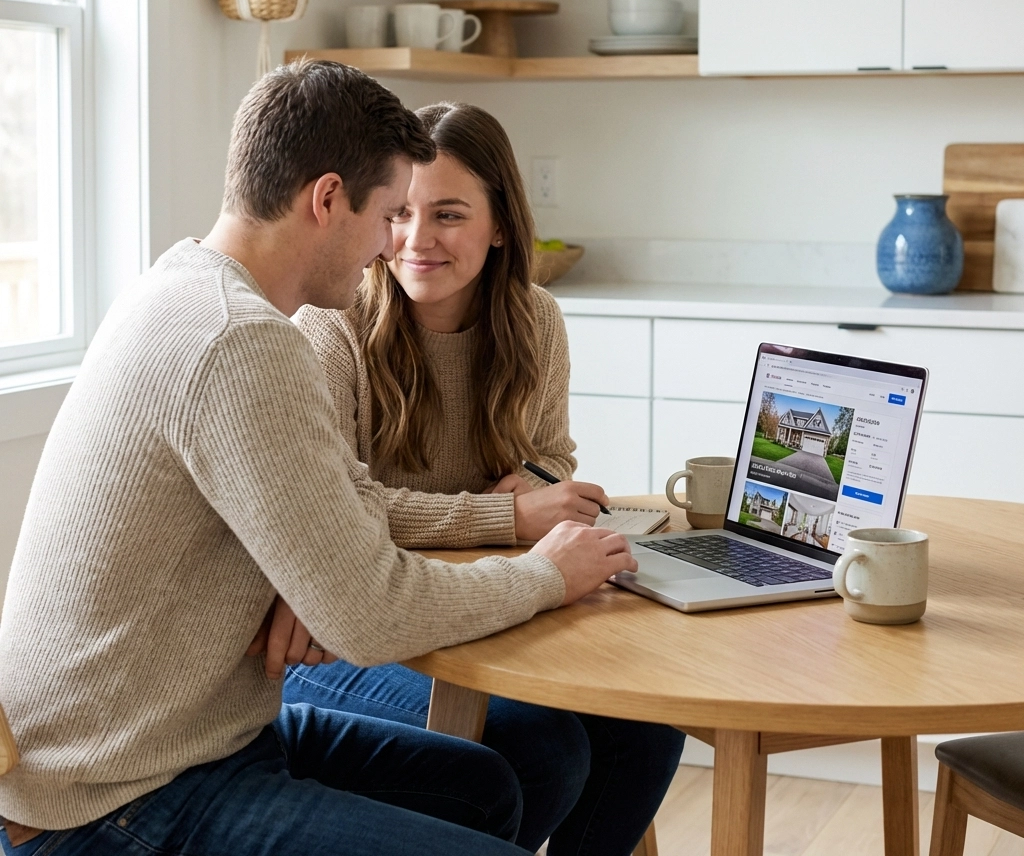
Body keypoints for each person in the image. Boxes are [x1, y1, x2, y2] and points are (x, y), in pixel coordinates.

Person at [0, 62, 638, 856]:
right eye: (384, 214)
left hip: (205, 736)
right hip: (117, 795)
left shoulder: (187, 285)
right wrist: (548, 574)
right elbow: (368, 612)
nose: (389, 245)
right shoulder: (240, 341)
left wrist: (330, 562)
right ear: (327, 199)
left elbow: (351, 514)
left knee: (490, 788)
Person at [283, 101, 686, 856]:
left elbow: (550, 455)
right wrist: (502, 516)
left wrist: (530, 489)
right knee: (542, 747)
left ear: (500, 224)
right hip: (344, 633)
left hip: (485, 603)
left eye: (448, 215)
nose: (415, 240)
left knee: (648, 733)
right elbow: (339, 512)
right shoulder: (331, 329)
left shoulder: (534, 319)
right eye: (398, 213)